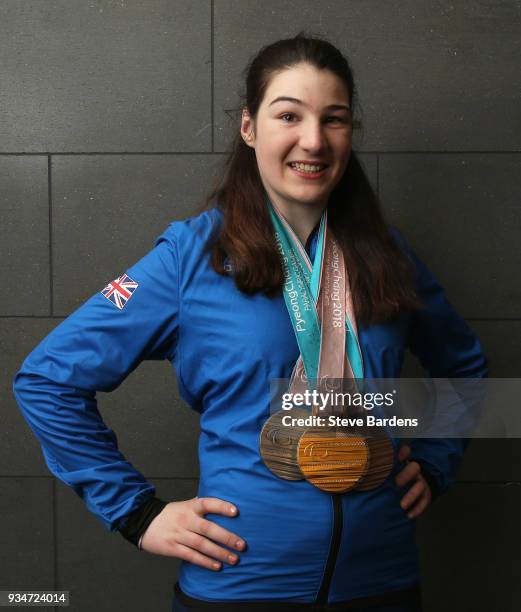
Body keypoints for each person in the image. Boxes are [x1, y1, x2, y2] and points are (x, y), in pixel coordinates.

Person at [13, 33, 488, 612]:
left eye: (333, 119)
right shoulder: (190, 256)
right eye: (288, 114)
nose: (312, 140)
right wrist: (137, 515)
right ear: (249, 127)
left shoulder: (388, 254)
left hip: (383, 583)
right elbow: (46, 379)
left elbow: (467, 366)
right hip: (239, 586)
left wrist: (437, 461)